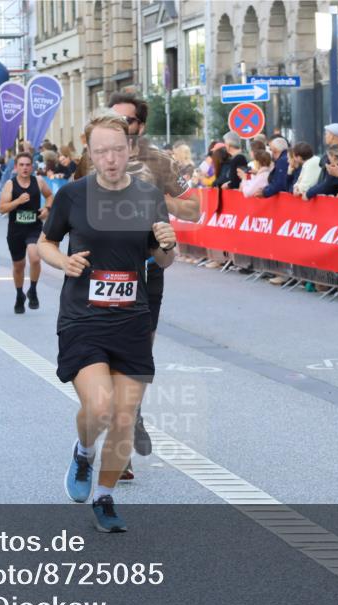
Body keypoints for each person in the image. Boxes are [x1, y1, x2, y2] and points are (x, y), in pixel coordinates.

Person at [37, 110, 177, 532]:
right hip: (83, 317)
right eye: (101, 152)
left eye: (117, 150)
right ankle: (83, 452)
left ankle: (105, 497)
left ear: (129, 149)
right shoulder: (73, 196)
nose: (111, 159)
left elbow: (162, 259)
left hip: (132, 319)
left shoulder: (148, 196)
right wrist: (63, 260)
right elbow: (44, 243)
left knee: (123, 416)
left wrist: (169, 247)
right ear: (91, 153)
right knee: (98, 408)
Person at [107, 91, 199, 477]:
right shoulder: (93, 156)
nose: (114, 126)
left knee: (138, 353)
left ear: (139, 126)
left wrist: (161, 198)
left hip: (148, 264)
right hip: (106, 266)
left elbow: (194, 209)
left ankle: (133, 413)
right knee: (109, 354)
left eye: (124, 120)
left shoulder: (159, 161)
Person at [0, 152, 54, 313]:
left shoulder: (38, 181)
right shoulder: (10, 184)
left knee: (35, 258)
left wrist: (47, 208)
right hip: (15, 230)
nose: (24, 168)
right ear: (16, 167)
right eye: (21, 165)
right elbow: (2, 208)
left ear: (32, 167)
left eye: (27, 165)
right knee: (19, 265)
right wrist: (18, 201)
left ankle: (33, 290)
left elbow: (50, 196)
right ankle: (19, 295)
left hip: (34, 227)